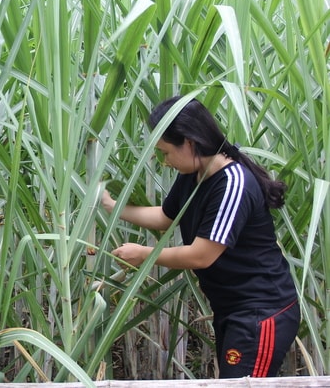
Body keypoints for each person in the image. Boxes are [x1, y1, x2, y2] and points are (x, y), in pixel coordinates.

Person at [101, 96, 299, 378]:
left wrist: (144, 254)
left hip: (261, 313)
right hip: (233, 309)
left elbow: (201, 255)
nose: (165, 162)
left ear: (190, 142)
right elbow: (165, 217)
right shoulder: (193, 173)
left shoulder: (233, 184)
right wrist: (112, 207)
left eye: (166, 152)